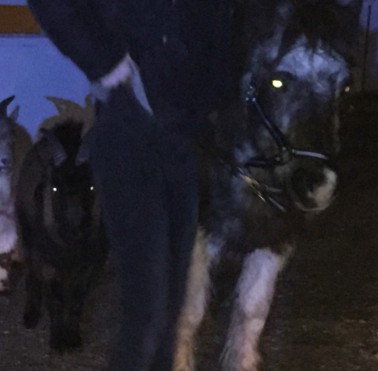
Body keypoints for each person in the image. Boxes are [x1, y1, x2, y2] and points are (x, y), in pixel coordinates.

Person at [26, 1, 235, 370]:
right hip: (131, 129)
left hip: (185, 138)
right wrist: (104, 61)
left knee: (171, 312)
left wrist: (217, 103)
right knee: (147, 313)